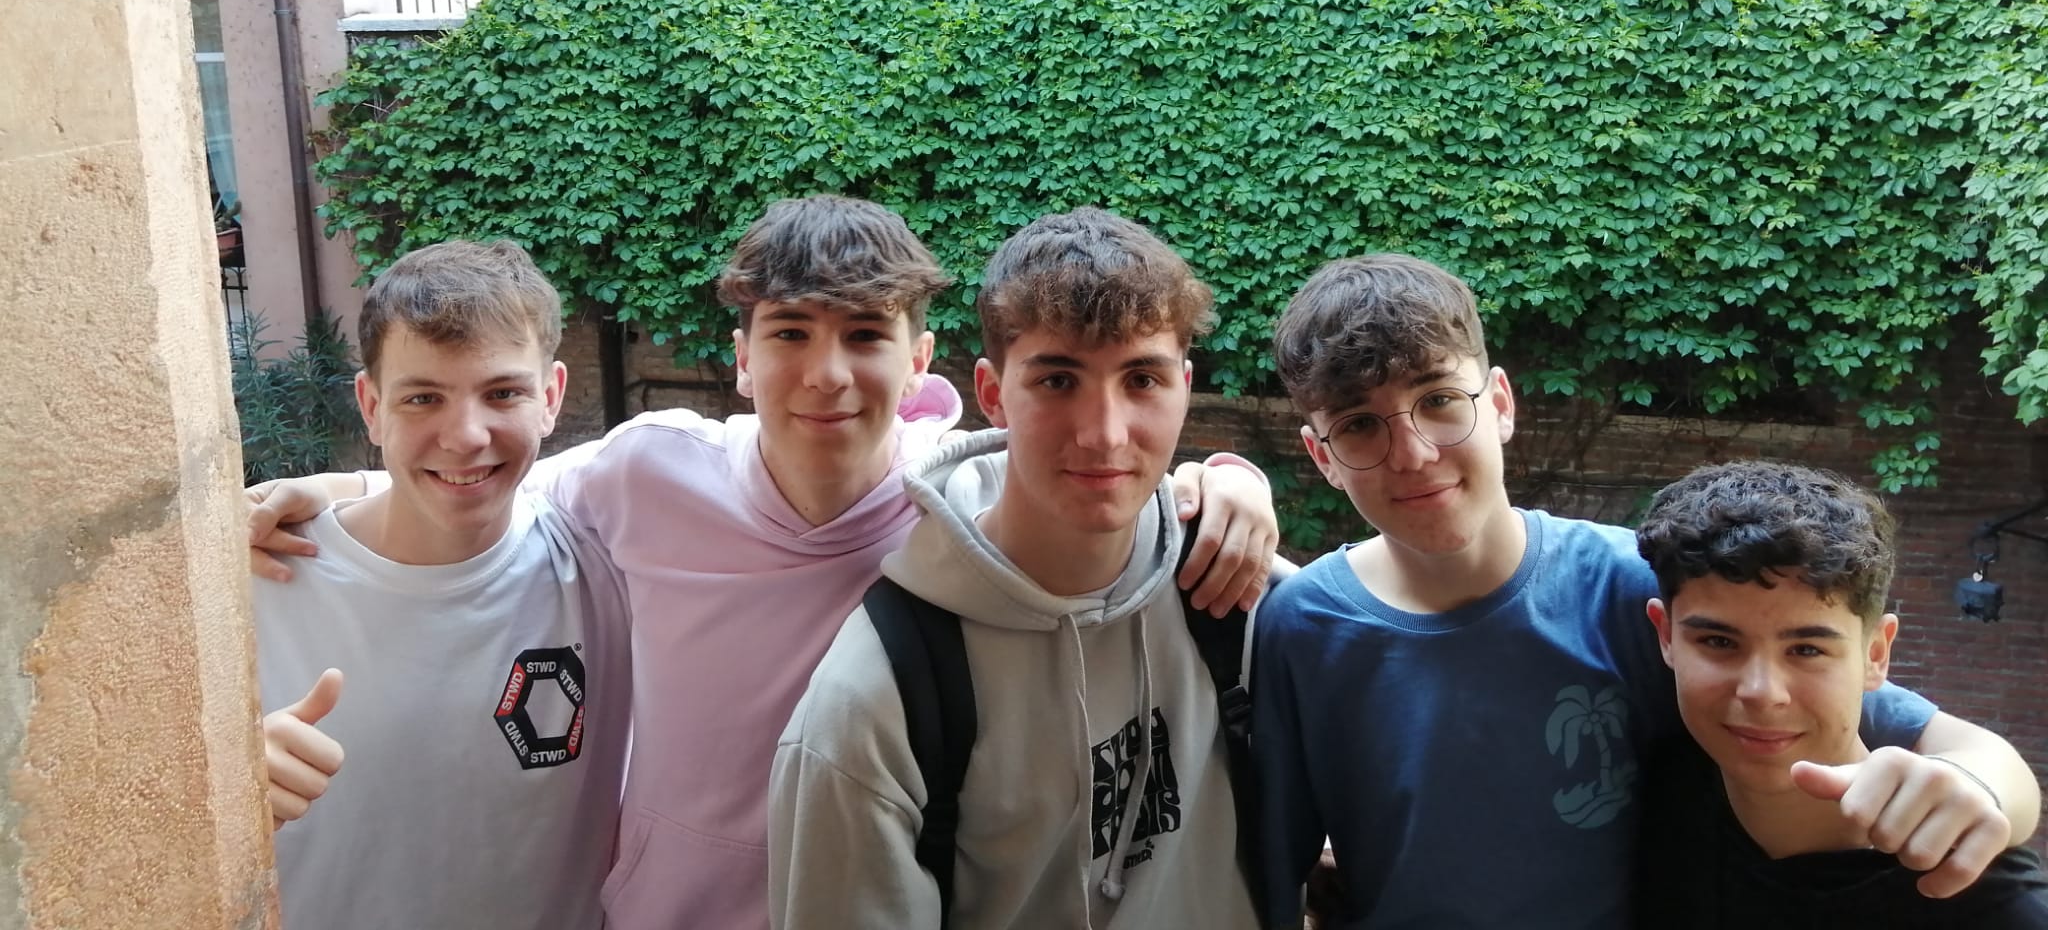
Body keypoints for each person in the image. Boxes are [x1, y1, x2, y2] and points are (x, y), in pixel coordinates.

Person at [250, 196, 1278, 930]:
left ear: (918, 362)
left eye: (865, 334)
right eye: (789, 333)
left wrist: (1225, 479)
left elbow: (1094, 461)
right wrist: (334, 490)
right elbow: (484, 479)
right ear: (741, 359)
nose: (827, 374)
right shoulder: (648, 472)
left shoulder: (956, 501)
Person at [1251, 252, 2041, 930]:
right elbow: (1270, 871)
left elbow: (1936, 738)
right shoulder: (1301, 626)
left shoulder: (1630, 585)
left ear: (1500, 404)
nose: (1414, 453)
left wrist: (1981, 793)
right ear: (1322, 458)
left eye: (1438, 401)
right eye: (1360, 425)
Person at [769, 208, 1266, 929]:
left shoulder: (1232, 588)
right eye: (1058, 380)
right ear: (992, 393)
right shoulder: (873, 701)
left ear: (1184, 387)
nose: (1104, 434)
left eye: (1142, 379)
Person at [252, 239, 632, 930]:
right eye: (423, 398)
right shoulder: (255, 585)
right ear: (371, 406)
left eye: (503, 393)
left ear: (550, 397)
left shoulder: (611, 562)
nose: (465, 436)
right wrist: (221, 789)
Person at [1634, 460, 2048, 928]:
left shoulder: (1986, 901)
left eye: (1807, 649)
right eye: (1718, 642)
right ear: (1666, 636)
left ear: (1876, 654)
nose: (1762, 692)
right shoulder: (1654, 790)